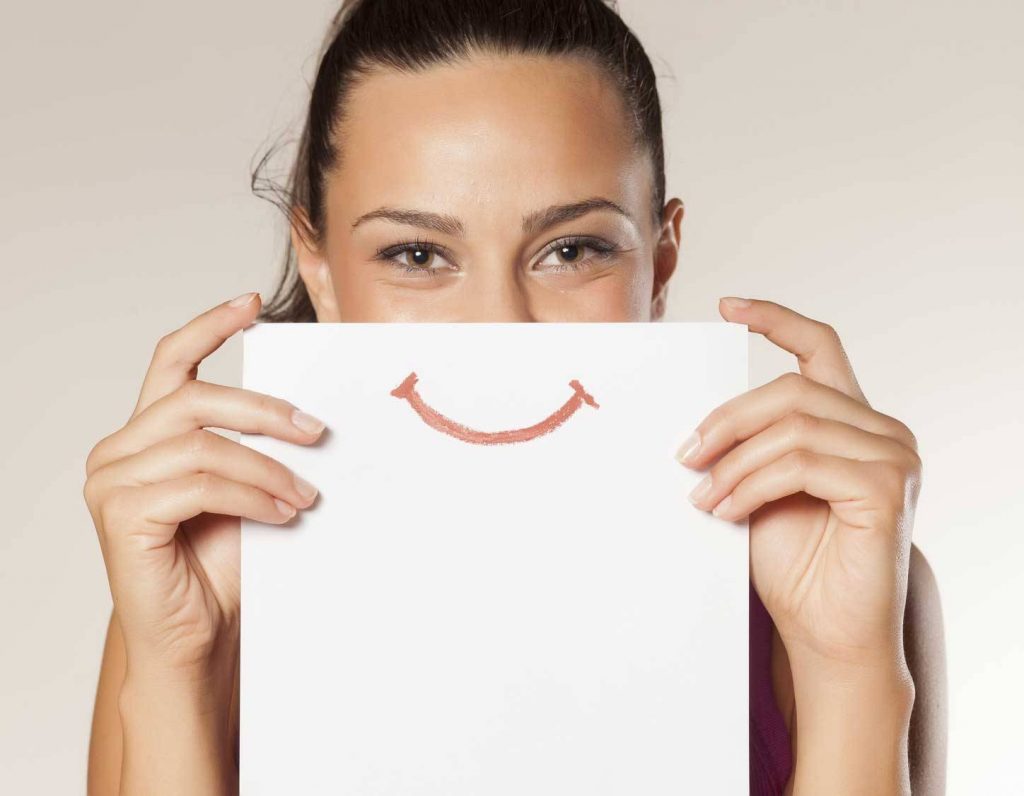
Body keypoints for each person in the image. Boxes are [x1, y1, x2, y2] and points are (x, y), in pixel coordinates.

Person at [82, 1, 947, 793]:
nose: (499, 327)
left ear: (660, 264)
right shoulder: (208, 588)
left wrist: (848, 667)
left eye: (572, 251)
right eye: (417, 255)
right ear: (322, 271)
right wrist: (177, 666)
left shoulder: (829, 573)